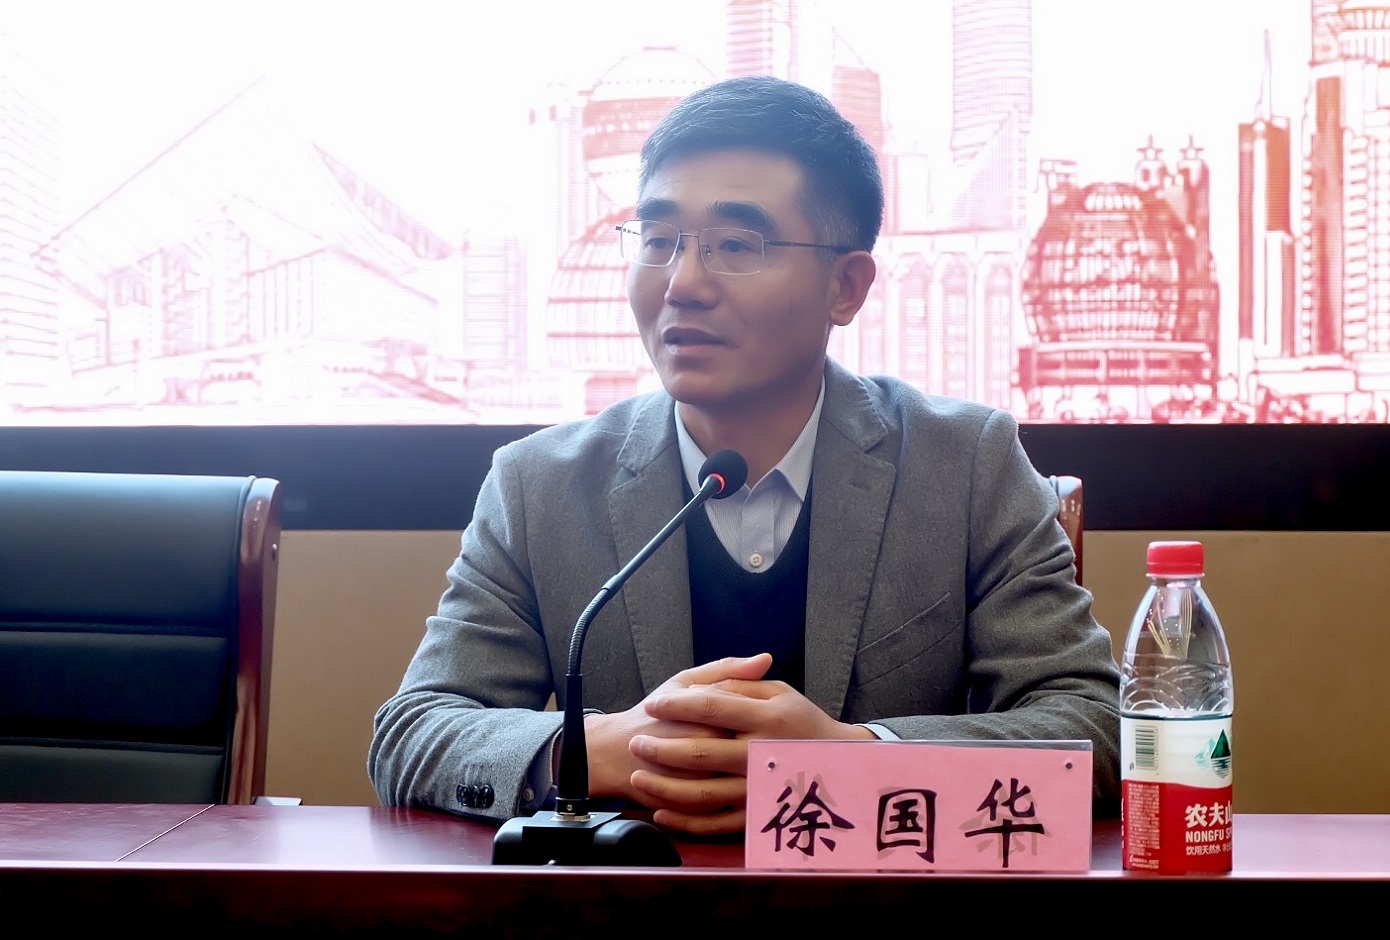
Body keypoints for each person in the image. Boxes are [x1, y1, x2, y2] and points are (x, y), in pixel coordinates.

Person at [369, 75, 1120, 836]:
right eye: (659, 241)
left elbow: (1097, 726)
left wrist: (856, 759)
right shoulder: (541, 484)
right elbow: (414, 733)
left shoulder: (965, 466)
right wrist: (594, 749)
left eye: (735, 245)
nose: (683, 283)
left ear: (846, 286)